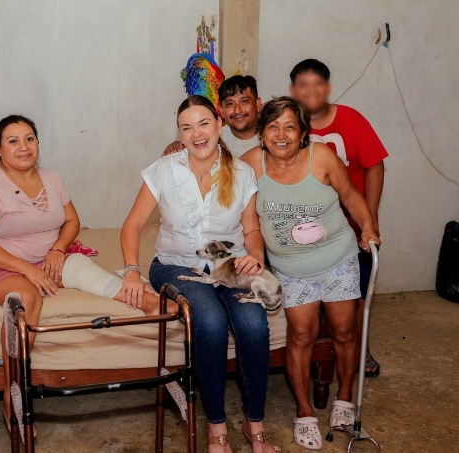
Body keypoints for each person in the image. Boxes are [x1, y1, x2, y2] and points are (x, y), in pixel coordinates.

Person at [0, 114, 170, 430]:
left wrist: (58, 249)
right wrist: (27, 271)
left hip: (46, 259)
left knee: (85, 270)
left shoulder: (50, 177)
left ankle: (148, 302)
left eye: (29, 139)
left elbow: (72, 221)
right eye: (13, 141)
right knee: (27, 298)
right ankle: (12, 390)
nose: (23, 146)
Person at [122, 95, 279, 453]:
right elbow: (132, 226)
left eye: (204, 123)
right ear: (180, 133)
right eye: (187, 127)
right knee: (209, 320)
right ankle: (216, 425)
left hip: (230, 266)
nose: (197, 134)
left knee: (254, 324)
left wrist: (256, 256)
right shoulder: (164, 169)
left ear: (219, 124)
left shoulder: (242, 173)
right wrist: (131, 270)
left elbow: (251, 229)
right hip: (174, 265)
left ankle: (255, 423)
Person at [242, 97, 381, 450]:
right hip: (290, 269)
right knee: (302, 334)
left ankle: (344, 398)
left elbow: (351, 196)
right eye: (273, 127)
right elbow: (217, 173)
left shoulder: (322, 158)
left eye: (290, 127)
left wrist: (367, 226)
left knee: (344, 331)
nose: (281, 135)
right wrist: (179, 151)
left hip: (338, 259)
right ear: (262, 133)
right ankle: (303, 410)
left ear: (304, 132)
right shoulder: (251, 164)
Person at [290, 59, 388, 377]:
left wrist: (369, 216)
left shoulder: (351, 119)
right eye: (303, 84)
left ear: (328, 87)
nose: (311, 90)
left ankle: (360, 348)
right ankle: (321, 349)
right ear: (293, 90)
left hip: (351, 224)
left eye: (317, 83)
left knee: (355, 292)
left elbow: (375, 166)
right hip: (310, 228)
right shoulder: (290, 124)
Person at [164, 75, 262, 157]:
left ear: (258, 104)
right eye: (230, 104)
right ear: (221, 111)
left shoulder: (269, 137)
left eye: (244, 101)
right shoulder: (212, 139)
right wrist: (177, 147)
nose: (237, 110)